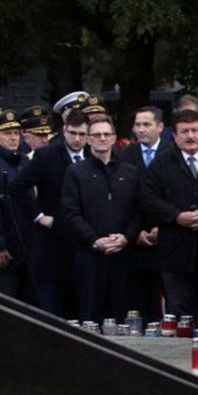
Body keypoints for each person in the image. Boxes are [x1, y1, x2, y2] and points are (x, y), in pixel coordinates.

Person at [141, 109, 198, 319]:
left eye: (195, 130)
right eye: (184, 131)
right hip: (176, 251)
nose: (190, 136)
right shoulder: (160, 164)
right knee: (180, 315)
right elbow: (148, 199)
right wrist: (177, 216)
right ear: (174, 135)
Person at [61, 115, 142, 322]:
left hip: (123, 256)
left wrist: (126, 237)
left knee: (123, 318)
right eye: (97, 135)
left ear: (114, 138)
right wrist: (94, 240)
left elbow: (139, 211)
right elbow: (71, 213)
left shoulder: (130, 172)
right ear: (88, 139)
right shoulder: (76, 172)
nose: (102, 139)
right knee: (90, 318)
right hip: (89, 257)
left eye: (107, 134)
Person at [10, 111, 88, 318]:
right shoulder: (48, 156)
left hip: (85, 247)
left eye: (82, 134)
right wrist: (39, 216)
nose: (77, 139)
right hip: (53, 247)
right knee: (52, 315)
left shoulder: (93, 155)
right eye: (72, 133)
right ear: (64, 131)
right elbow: (18, 187)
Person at [117, 106, 171, 321]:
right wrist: (135, 232)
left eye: (146, 124)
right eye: (137, 125)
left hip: (167, 236)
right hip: (136, 240)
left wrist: (163, 226)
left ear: (160, 127)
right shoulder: (124, 156)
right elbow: (122, 201)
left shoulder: (171, 152)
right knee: (138, 302)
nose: (140, 130)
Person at [0, 109, 31, 299]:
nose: (13, 138)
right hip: (7, 245)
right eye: (6, 133)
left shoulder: (24, 161)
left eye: (16, 133)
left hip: (25, 243)